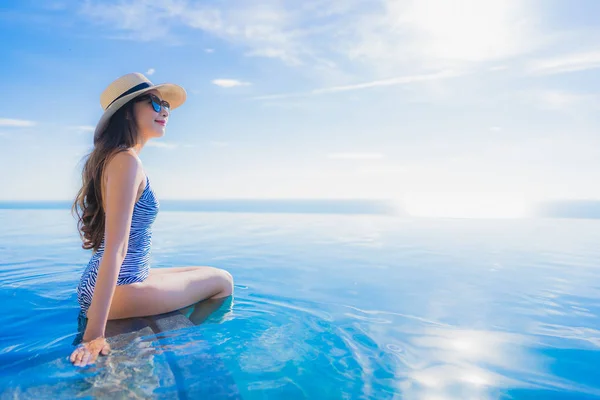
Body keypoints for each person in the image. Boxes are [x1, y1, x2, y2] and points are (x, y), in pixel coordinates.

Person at [69, 73, 234, 367]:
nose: (165, 110)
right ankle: (173, 343)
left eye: (166, 104)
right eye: (155, 103)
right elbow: (116, 248)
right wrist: (94, 334)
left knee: (206, 271)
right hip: (118, 287)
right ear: (128, 111)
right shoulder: (126, 161)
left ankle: (163, 330)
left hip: (116, 280)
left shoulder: (116, 158)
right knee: (223, 282)